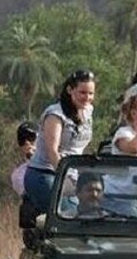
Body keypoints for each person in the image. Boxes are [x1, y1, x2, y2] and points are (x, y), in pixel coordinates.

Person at [24, 70, 95, 213]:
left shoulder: (88, 111)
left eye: (90, 93)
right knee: (70, 215)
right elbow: (53, 151)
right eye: (82, 92)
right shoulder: (56, 114)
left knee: (91, 212)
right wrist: (65, 178)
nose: (87, 97)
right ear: (70, 90)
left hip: (72, 175)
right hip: (45, 174)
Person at [10, 122, 37, 196]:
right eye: (22, 139)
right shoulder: (18, 175)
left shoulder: (57, 163)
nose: (27, 142)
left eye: (31, 137)